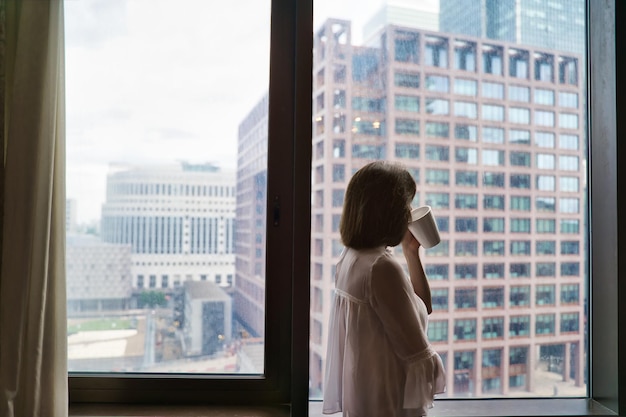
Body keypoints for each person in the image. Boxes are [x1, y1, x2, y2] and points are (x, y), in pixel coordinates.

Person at [323, 161, 446, 417]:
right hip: (389, 404)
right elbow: (418, 354)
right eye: (406, 206)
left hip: (366, 399)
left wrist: (411, 252)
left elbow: (422, 306)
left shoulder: (351, 259)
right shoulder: (381, 268)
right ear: (389, 212)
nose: (410, 213)